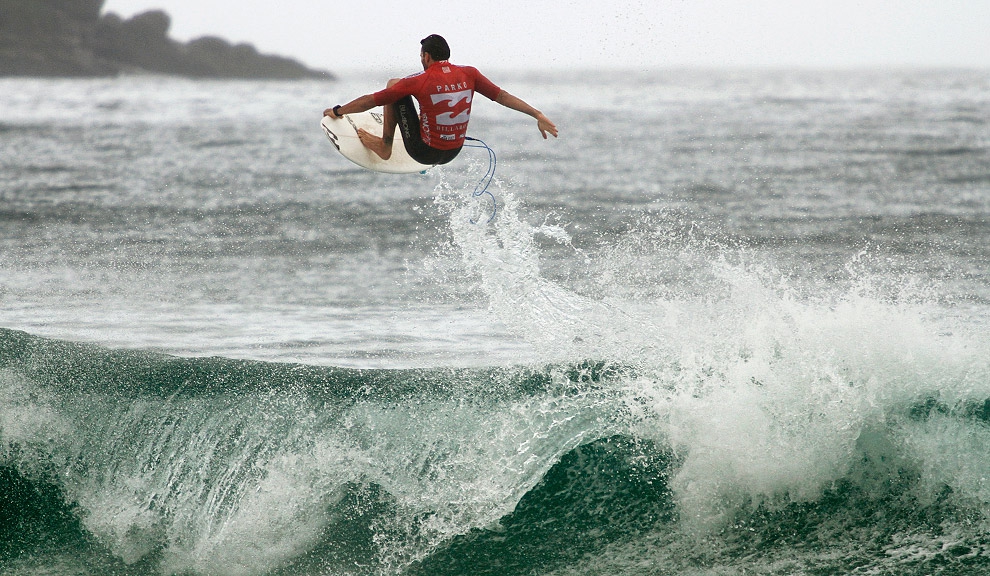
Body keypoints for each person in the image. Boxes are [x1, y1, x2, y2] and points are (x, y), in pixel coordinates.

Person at [323, 34, 557, 166]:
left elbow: (370, 101)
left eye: (421, 56)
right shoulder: (470, 73)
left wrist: (338, 111)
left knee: (394, 86)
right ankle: (396, 140)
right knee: (405, 94)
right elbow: (503, 96)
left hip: (423, 152)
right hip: (454, 151)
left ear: (426, 56)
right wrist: (537, 114)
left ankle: (385, 145)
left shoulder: (419, 80)